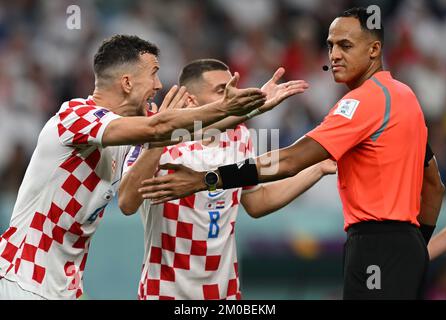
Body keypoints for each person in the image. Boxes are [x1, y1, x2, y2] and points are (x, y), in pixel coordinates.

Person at [139, 8, 440, 299]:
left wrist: (205, 180)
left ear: (374, 50)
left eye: (346, 46)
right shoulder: (405, 97)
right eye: (330, 45)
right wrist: (414, 247)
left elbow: (288, 160)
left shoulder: (363, 102)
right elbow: (434, 187)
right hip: (404, 246)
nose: (334, 55)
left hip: (375, 246)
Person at [0, 34, 268, 300]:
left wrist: (260, 104)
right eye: (153, 74)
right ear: (127, 82)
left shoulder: (128, 131)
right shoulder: (75, 116)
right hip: (23, 278)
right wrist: (225, 108)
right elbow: (162, 127)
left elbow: (191, 128)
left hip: (63, 286)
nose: (159, 84)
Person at [119, 58, 335, 300]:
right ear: (191, 99)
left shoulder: (239, 136)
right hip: (165, 292)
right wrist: (158, 143)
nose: (233, 95)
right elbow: (127, 203)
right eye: (222, 90)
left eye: (234, 87)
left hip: (225, 293)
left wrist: (318, 169)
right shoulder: (158, 139)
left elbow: (256, 201)